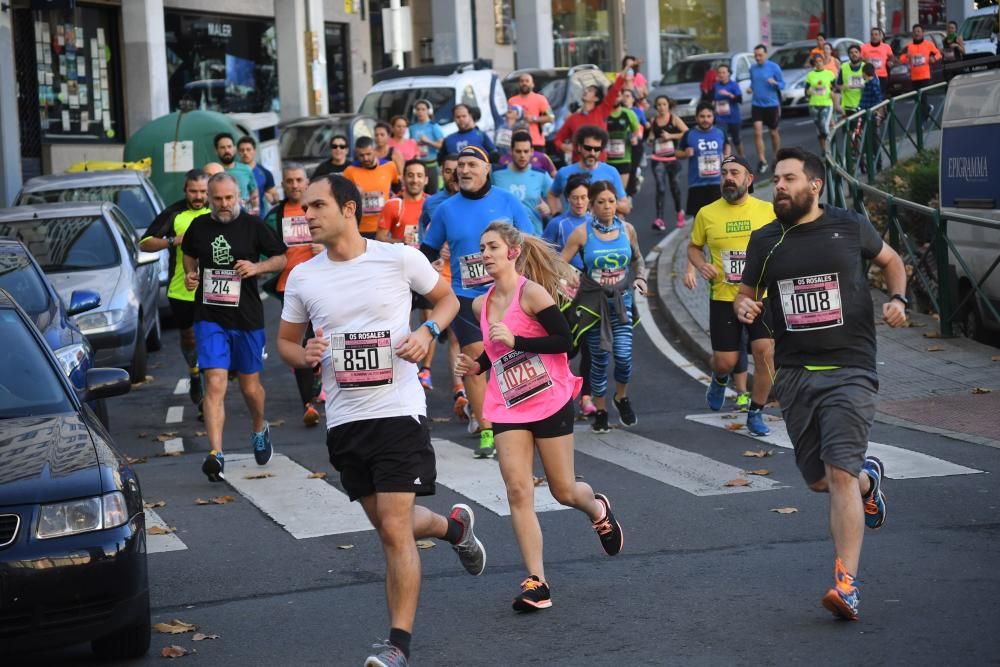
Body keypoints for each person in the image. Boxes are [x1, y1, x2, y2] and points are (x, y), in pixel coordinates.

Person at [277, 174, 485, 667]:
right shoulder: (305, 277)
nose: (307, 215)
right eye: (305, 207)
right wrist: (303, 352)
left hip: (398, 410)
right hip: (344, 419)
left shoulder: (396, 257)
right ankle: (454, 530)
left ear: (349, 209)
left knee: (393, 530)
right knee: (391, 526)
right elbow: (285, 341)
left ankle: (397, 645)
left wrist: (429, 330)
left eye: (317, 206)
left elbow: (449, 298)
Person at [736, 147, 905, 621]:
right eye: (776, 179)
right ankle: (869, 479)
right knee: (819, 482)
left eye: (789, 178)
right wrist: (743, 308)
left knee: (838, 475)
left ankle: (846, 585)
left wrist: (898, 298)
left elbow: (892, 260)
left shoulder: (849, 226)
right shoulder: (766, 239)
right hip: (793, 373)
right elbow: (746, 295)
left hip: (851, 367)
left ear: (815, 185)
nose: (780, 187)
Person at [454, 222, 623, 612]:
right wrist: (476, 365)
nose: (485, 254)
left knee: (563, 491)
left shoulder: (532, 294)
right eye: (482, 248)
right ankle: (537, 581)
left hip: (548, 400)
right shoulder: (480, 304)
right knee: (518, 490)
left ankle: (597, 509)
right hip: (508, 405)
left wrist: (520, 341)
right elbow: (496, 353)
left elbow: (565, 341)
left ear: (512, 252)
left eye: (492, 247)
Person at [421, 145, 535, 458]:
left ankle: (518, 419)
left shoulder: (507, 201)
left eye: (472, 165)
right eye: (461, 166)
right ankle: (486, 428)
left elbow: (530, 243)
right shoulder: (446, 209)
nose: (465, 170)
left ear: (487, 169)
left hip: (507, 295)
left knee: (510, 357)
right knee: (474, 359)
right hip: (465, 296)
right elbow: (428, 250)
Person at [180, 173, 288, 482]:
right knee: (215, 383)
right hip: (209, 316)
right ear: (209, 198)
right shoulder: (199, 227)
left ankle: (258, 426)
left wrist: (258, 267)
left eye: (229, 198)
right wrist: (191, 275)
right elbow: (189, 255)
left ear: (238, 195)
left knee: (249, 387)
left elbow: (280, 257)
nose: (224, 204)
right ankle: (216, 453)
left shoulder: (253, 226)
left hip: (247, 318)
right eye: (218, 199)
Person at [685, 155, 775, 435]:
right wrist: (701, 265)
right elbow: (693, 247)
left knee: (765, 354)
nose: (728, 178)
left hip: (762, 296)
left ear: (749, 179)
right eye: (724, 173)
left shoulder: (768, 211)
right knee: (726, 360)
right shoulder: (707, 213)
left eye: (734, 172)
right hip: (724, 297)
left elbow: (785, 242)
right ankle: (720, 377)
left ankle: (756, 411)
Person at [561, 180, 646, 433]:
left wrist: (640, 277)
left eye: (611, 201)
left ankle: (621, 397)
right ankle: (600, 409)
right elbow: (559, 263)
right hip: (592, 304)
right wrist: (571, 276)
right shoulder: (582, 233)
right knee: (598, 360)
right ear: (591, 205)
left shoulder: (627, 229)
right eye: (601, 202)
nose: (608, 207)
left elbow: (638, 258)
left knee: (623, 357)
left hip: (621, 301)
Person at [140, 169, 210, 418]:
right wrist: (173, 241)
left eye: (203, 191)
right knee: (190, 338)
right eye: (194, 191)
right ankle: (194, 373)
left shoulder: (218, 210)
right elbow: (145, 242)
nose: (199, 196)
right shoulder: (175, 213)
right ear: (185, 190)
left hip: (214, 289)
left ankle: (207, 400)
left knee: (212, 339)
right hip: (182, 290)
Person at [262, 165, 325, 426]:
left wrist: (324, 246)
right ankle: (308, 403)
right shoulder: (276, 215)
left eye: (299, 180)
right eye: (290, 181)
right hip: (290, 287)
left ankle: (318, 377)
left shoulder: (320, 208)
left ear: (307, 182)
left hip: (321, 283)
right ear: (283, 184)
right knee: (301, 343)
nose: (295, 185)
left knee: (318, 338)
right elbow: (264, 247)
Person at [418, 154, 470, 419]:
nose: (455, 175)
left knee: (462, 338)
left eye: (458, 170)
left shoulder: (471, 201)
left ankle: (464, 388)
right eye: (450, 171)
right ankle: (459, 390)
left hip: (467, 275)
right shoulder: (434, 203)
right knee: (453, 335)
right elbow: (422, 235)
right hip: (441, 275)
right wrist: (430, 259)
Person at [541, 173, 596, 416]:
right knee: (566, 347)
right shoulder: (558, 224)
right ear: (567, 199)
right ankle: (562, 391)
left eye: (584, 197)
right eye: (574, 198)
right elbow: (545, 256)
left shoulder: (597, 223)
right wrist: (562, 272)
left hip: (592, 291)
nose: (579, 202)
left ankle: (586, 396)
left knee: (590, 345)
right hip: (564, 293)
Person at [549, 125, 631, 217]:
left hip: (602, 229)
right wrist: (556, 214)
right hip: (573, 229)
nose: (592, 153)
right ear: (579, 147)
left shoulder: (611, 172)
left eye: (596, 149)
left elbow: (626, 207)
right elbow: (552, 195)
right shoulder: (564, 173)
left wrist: (603, 201)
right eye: (588, 148)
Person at [554, 65, 628, 164]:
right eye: (585, 90)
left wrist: (627, 67)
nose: (585, 91)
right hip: (578, 163)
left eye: (590, 91)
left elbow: (614, 90)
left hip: (599, 162)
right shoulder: (572, 118)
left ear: (596, 98)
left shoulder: (602, 111)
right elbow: (558, 139)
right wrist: (564, 147)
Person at [491, 131, 554, 236]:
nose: (522, 155)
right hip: (503, 237)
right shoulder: (496, 174)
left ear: (532, 152)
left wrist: (549, 208)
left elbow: (556, 200)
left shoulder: (541, 175)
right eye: (518, 151)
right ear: (511, 151)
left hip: (533, 237)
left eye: (526, 151)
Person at [677, 103, 731, 220]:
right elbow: (677, 153)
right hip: (697, 184)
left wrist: (727, 155)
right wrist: (685, 153)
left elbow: (726, 145)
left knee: (719, 219)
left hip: (717, 183)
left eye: (708, 116)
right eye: (702, 116)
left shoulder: (720, 132)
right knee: (700, 221)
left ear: (713, 117)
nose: (705, 119)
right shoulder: (689, 134)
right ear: (696, 118)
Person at [343, 136, 400, 239]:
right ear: (356, 154)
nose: (365, 158)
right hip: (360, 228)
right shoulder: (350, 171)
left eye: (368, 154)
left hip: (385, 227)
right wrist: (354, 193)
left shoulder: (389, 166)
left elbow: (398, 189)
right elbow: (342, 199)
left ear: (375, 151)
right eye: (361, 155)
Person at [647, 95, 688, 230]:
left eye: (664, 104)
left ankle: (679, 213)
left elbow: (686, 132)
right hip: (658, 159)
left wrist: (671, 136)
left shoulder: (674, 119)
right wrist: (651, 139)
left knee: (674, 187)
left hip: (672, 159)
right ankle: (659, 219)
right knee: (660, 188)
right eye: (659, 105)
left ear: (668, 106)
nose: (661, 107)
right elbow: (651, 136)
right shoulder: (654, 121)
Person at [748, 44, 785, 175]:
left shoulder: (774, 67)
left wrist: (775, 83)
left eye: (760, 55)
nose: (757, 58)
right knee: (757, 133)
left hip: (771, 105)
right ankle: (762, 160)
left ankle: (776, 157)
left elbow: (783, 84)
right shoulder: (752, 68)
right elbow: (753, 82)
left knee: (773, 133)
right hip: (757, 104)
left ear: (765, 54)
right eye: (755, 55)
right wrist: (750, 88)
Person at [378, 160, 428, 247]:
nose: (415, 180)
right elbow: (379, 238)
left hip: (429, 259)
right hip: (402, 259)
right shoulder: (393, 204)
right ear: (403, 179)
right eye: (410, 175)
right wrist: (400, 242)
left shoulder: (433, 203)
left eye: (419, 176)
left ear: (426, 180)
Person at [603, 91, 641, 193]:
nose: (615, 98)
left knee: (620, 192)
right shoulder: (603, 114)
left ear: (621, 98)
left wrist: (634, 137)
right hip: (606, 160)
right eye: (612, 95)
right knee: (608, 192)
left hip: (624, 159)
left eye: (618, 96)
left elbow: (637, 128)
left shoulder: (628, 113)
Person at [508, 72, 554, 151]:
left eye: (527, 81)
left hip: (536, 142)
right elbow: (508, 121)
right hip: (517, 142)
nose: (524, 83)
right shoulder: (512, 101)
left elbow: (551, 117)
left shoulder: (540, 99)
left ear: (532, 84)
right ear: (519, 84)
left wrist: (534, 119)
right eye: (522, 81)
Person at [213, 133, 259, 213]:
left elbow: (254, 192)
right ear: (216, 151)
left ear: (234, 149)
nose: (227, 150)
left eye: (229, 147)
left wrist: (255, 208)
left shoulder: (246, 169)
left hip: (244, 215)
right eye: (222, 148)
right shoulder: (213, 171)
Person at [805, 53, 839, 152]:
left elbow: (835, 88)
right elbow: (806, 91)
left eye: (820, 61)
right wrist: (808, 92)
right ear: (814, 63)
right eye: (816, 62)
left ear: (823, 62)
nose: (819, 63)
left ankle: (831, 149)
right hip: (814, 104)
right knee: (819, 129)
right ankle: (824, 150)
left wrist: (833, 95)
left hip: (826, 103)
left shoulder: (829, 74)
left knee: (824, 125)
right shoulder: (810, 75)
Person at [238, 135, 278, 215]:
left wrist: (273, 199)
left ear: (254, 151)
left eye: (248, 149)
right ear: (238, 152)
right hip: (240, 218)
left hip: (260, 218)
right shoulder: (233, 172)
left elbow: (275, 198)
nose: (245, 152)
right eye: (242, 150)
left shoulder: (265, 173)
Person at [713, 64, 744, 158]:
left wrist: (729, 95)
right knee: (722, 140)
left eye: (723, 72)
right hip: (720, 118)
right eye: (719, 73)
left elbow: (740, 100)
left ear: (729, 74)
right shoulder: (715, 86)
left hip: (734, 117)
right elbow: (711, 99)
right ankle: (726, 160)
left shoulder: (734, 85)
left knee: (736, 140)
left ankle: (742, 158)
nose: (721, 75)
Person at [899, 23, 942, 91]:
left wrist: (934, 58)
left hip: (925, 76)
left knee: (924, 97)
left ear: (922, 33)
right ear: (912, 34)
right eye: (915, 32)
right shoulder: (908, 46)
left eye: (919, 31)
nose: (917, 33)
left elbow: (938, 54)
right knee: (916, 98)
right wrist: (907, 56)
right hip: (914, 77)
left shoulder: (928, 44)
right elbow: (901, 59)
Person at [860, 27, 895, 95]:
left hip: (882, 75)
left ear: (880, 36)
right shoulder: (864, 47)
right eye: (872, 35)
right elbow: (859, 59)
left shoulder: (886, 47)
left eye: (876, 34)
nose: (874, 36)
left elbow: (891, 57)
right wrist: (865, 60)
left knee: (881, 96)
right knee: (870, 95)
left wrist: (890, 62)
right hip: (868, 76)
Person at [837, 44, 867, 117]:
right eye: (851, 52)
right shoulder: (843, 67)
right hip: (847, 106)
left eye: (856, 52)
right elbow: (838, 86)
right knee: (849, 128)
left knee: (865, 128)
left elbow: (872, 83)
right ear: (848, 55)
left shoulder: (865, 67)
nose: (854, 54)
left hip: (864, 105)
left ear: (860, 54)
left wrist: (852, 85)